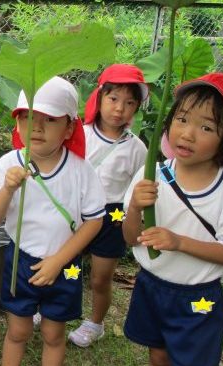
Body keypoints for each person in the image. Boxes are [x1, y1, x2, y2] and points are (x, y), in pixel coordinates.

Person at [122, 72, 223, 366]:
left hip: (199, 299)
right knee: (158, 359)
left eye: (206, 127)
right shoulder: (151, 175)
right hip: (152, 287)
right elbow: (130, 237)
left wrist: (178, 241)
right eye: (181, 119)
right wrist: (135, 207)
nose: (187, 133)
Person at [0, 76, 106, 366]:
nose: (35, 127)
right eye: (27, 117)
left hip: (65, 264)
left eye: (48, 120)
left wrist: (59, 261)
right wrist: (8, 189)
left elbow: (95, 219)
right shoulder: (8, 164)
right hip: (19, 261)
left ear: (69, 128)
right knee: (17, 330)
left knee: (53, 333)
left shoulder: (81, 170)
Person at [68, 64, 149, 348]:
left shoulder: (137, 149)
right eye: (113, 99)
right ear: (99, 98)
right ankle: (56, 307)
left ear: (137, 108)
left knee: (100, 278)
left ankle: (95, 323)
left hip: (113, 217)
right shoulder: (81, 133)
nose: (119, 109)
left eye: (129, 103)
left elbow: (138, 188)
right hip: (77, 213)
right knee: (70, 267)